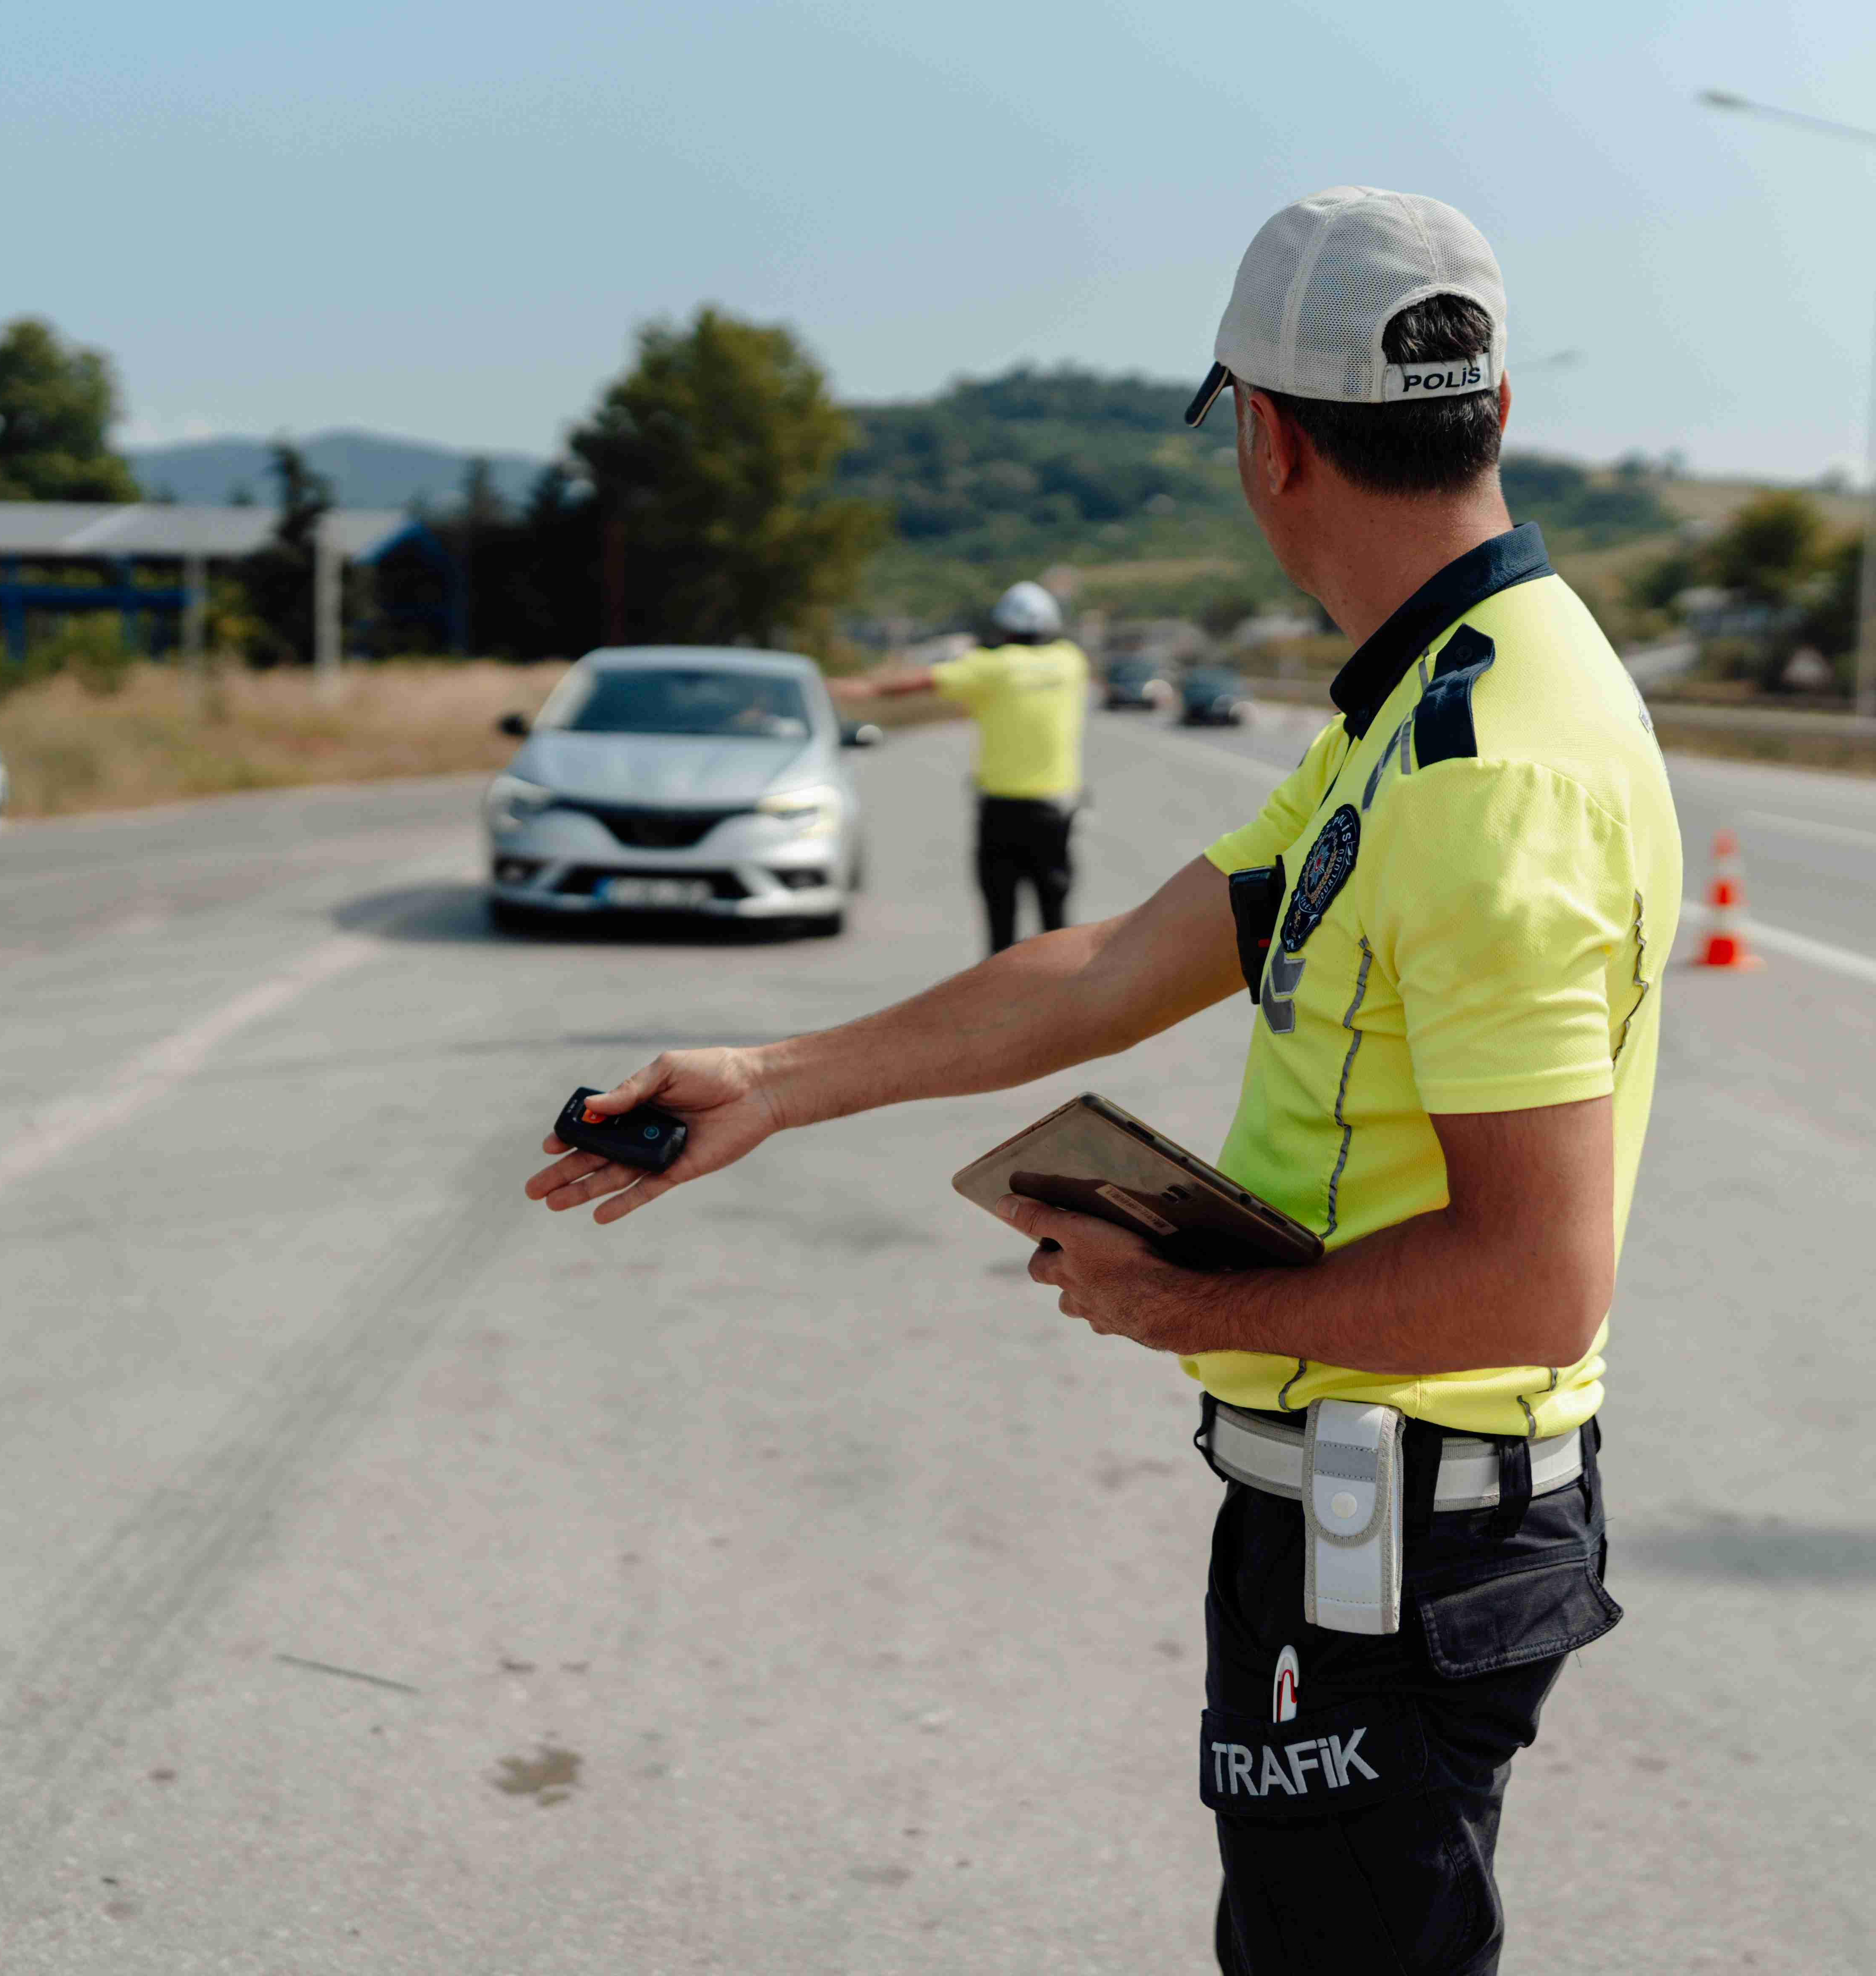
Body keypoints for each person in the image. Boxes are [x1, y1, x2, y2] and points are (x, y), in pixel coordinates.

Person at [528, 186, 1681, 1976]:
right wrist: (775, 1074)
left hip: (1406, 1537)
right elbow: (1125, 959)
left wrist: (1177, 1294)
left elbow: (1539, 1277)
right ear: (1497, 411)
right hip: (1349, 1506)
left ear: (1267, 436)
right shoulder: (1429, 699)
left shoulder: (1492, 771)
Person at [850, 580, 1089, 952]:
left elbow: (922, 681)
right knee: (1055, 915)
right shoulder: (1071, 662)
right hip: (1057, 809)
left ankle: (996, 1000)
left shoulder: (990, 667)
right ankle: (1063, 999)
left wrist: (862, 689)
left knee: (1001, 914)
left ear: (1004, 626)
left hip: (1003, 810)